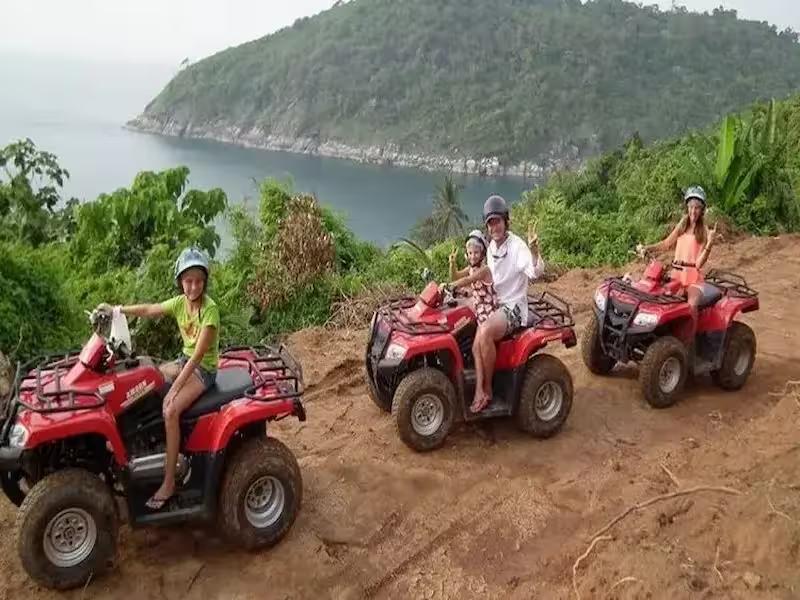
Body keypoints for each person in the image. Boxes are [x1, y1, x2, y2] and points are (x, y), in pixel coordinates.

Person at [100, 247, 220, 510]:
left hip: (203, 370)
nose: (193, 286)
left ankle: (169, 483)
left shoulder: (210, 311)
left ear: (204, 282)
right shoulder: (179, 303)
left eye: (199, 280)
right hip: (182, 360)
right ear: (180, 282)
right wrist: (118, 310)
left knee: (170, 410)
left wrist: (175, 389)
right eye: (188, 281)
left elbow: (198, 357)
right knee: (142, 380)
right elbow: (150, 309)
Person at [471, 195, 545, 412]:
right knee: (475, 344)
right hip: (496, 303)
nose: (495, 227)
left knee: (484, 333)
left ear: (506, 221)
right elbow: (487, 276)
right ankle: (477, 390)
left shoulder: (517, 247)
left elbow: (535, 272)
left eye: (498, 221)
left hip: (513, 307)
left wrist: (534, 251)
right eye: (490, 223)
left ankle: (488, 390)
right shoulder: (492, 248)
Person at [637, 186, 717, 337]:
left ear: (702, 210)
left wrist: (710, 244)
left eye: (697, 208)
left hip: (694, 280)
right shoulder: (682, 226)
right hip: (676, 277)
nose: (693, 211)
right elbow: (666, 244)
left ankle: (689, 343)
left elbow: (699, 264)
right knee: (657, 299)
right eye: (691, 207)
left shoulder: (705, 232)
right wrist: (647, 248)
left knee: (691, 306)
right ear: (687, 207)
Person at [447, 229, 498, 325]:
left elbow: (467, 280)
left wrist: (446, 285)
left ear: (482, 253)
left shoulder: (485, 270)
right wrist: (452, 264)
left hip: (487, 311)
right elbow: (455, 277)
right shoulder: (471, 269)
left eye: (476, 252)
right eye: (470, 253)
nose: (473, 256)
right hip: (477, 307)